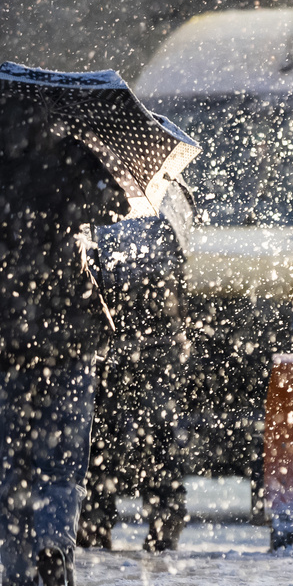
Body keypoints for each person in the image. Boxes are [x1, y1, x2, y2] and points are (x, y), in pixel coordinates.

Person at [0, 97, 128, 586]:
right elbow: (116, 207)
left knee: (14, 466)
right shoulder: (75, 170)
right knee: (63, 466)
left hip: (8, 348)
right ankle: (55, 550)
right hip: (71, 343)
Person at [77, 204, 191, 553]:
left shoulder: (96, 202)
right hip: (151, 334)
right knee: (152, 432)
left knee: (104, 432)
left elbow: (89, 272)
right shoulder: (162, 209)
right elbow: (178, 279)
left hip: (121, 334)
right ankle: (163, 518)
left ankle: (97, 520)